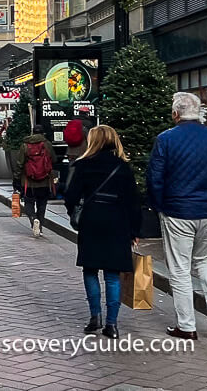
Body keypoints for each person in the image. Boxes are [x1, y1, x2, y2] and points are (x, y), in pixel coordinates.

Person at [148, 92, 207, 340]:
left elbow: (155, 179)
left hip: (177, 210)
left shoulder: (166, 139)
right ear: (198, 112)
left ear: (175, 113)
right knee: (205, 258)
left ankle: (187, 325)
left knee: (179, 269)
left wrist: (159, 206)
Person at [63, 125, 140, 340]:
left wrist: (75, 212)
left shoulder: (83, 165)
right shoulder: (123, 167)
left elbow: (70, 195)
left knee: (90, 270)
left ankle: (94, 316)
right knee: (113, 274)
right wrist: (134, 229)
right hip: (118, 221)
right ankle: (112, 324)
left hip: (92, 219)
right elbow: (134, 201)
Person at [12, 125, 56, 237]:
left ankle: (33, 219)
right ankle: (40, 227)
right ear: (43, 133)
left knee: (29, 202)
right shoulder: (47, 144)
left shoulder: (25, 145)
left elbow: (19, 163)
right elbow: (54, 159)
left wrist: (16, 178)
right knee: (42, 203)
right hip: (45, 180)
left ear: (32, 132)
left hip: (28, 181)